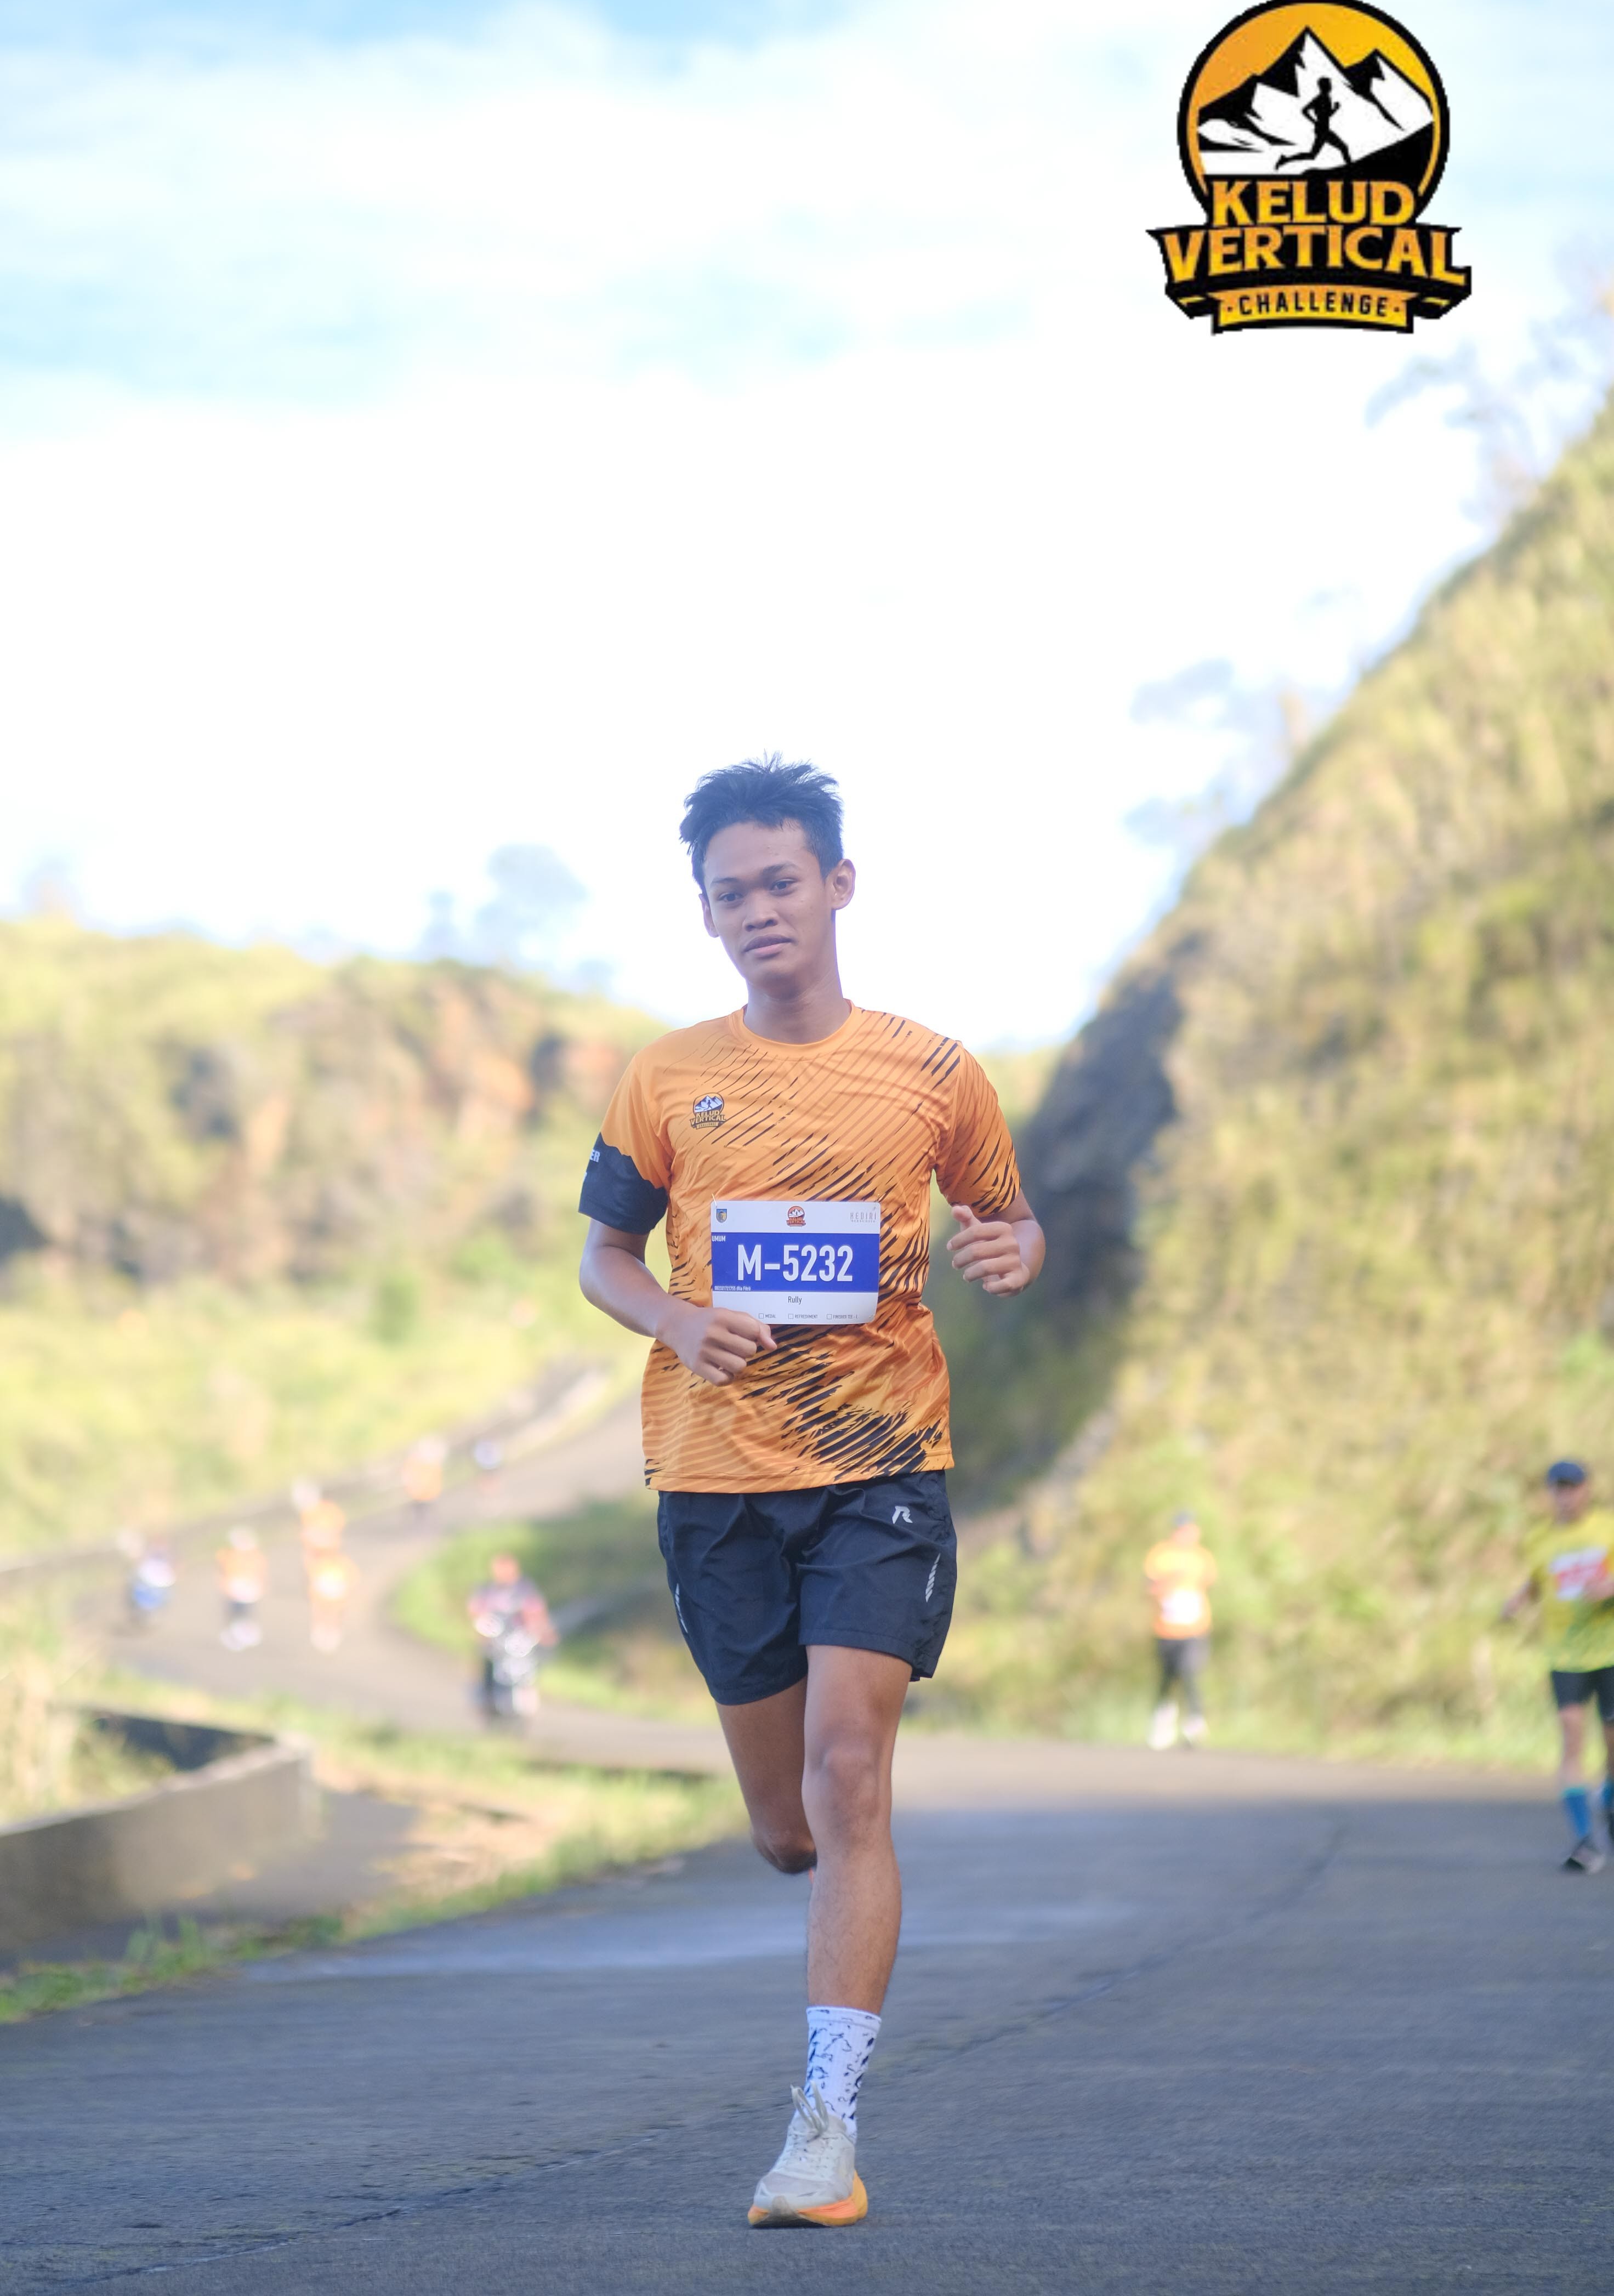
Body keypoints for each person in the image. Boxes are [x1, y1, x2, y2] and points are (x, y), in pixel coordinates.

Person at [577, 755, 1043, 2228]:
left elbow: (1007, 1215)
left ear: (839, 884)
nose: (759, 909)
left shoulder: (935, 1071)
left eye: (782, 881)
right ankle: (799, 1858)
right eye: (731, 893)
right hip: (714, 1480)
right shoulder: (664, 1076)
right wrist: (673, 1316)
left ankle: (824, 2129)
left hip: (881, 1467)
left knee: (853, 1777)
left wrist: (1012, 1248)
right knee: (789, 1824)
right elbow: (602, 1257)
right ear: (706, 915)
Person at [1501, 1458, 1614, 1873]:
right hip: (1564, 1655)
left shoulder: (1607, 1529)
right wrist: (1517, 1601)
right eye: (1558, 1488)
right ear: (1550, 1493)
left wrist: (1610, 1586)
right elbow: (1538, 1581)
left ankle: (1609, 1800)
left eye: (1572, 1487)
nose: (1565, 1496)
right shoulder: (1539, 1539)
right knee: (1571, 1734)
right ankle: (1585, 1842)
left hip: (1609, 1652)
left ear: (1587, 1489)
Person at [1144, 1511, 1217, 1750]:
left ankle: (1195, 1723)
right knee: (1168, 1677)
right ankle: (1162, 1722)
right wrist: (1172, 1580)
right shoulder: (1161, 1555)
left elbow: (1208, 1583)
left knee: (1189, 1672)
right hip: (1166, 1629)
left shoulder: (1202, 1557)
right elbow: (1150, 1587)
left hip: (1195, 1628)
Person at [468, 1551, 557, 1717]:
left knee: (529, 1665)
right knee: (488, 1661)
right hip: (496, 1639)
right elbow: (477, 1610)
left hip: (519, 1639)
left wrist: (542, 1630)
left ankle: (526, 1695)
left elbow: (536, 1610)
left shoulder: (525, 1589)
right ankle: (487, 1699)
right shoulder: (488, 1590)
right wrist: (482, 1627)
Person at [216, 1527, 266, 1650]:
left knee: (243, 1615)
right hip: (237, 1591)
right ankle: (237, 1635)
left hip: (247, 1591)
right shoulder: (228, 1555)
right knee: (235, 1614)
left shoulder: (254, 1556)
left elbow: (260, 1572)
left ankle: (242, 1635)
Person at [307, 1547, 357, 1652]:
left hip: (337, 1590)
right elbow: (313, 1577)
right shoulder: (321, 1562)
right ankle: (320, 1631)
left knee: (334, 1613)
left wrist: (348, 1588)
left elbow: (353, 1576)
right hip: (323, 1590)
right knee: (321, 1611)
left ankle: (333, 1632)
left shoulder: (343, 1562)